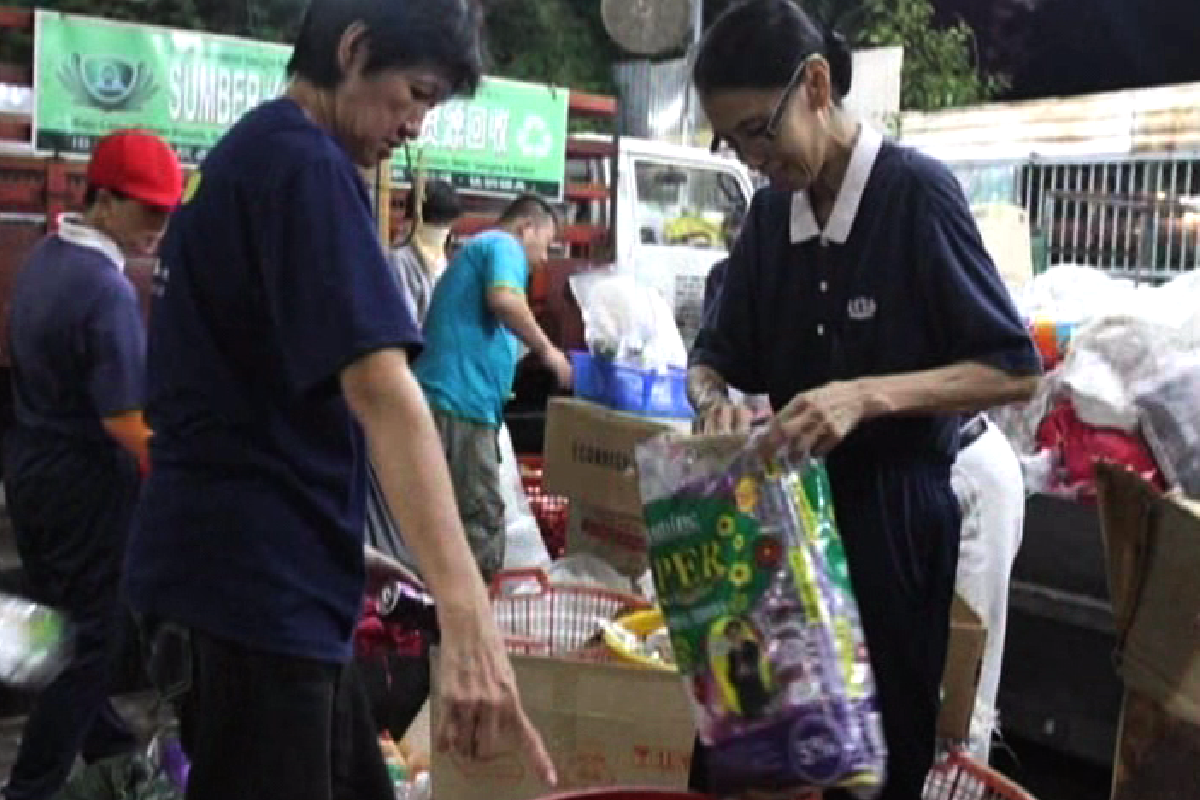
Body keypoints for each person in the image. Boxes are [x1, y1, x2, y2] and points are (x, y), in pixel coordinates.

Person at [121, 3, 555, 799]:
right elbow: (384, 393)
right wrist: (468, 616)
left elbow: (239, 394)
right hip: (255, 598)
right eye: (415, 94)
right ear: (353, 50)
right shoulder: (306, 168)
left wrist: (343, 542)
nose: (416, 126)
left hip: (255, 577)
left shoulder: (253, 159)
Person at [685, 2, 1041, 798]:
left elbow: (1014, 368)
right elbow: (714, 354)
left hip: (893, 522)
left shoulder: (915, 195)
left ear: (815, 85)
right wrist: (711, 400)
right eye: (731, 142)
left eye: (756, 131)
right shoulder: (773, 216)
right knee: (739, 751)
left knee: (876, 767)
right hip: (784, 522)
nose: (750, 158)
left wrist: (866, 397)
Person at [2, 130, 182, 800]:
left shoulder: (49, 258)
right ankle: (31, 787)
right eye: (148, 211)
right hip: (84, 486)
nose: (159, 227)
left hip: (32, 472)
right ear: (102, 200)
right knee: (93, 643)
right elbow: (125, 420)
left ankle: (111, 743)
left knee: (56, 627)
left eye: (168, 212)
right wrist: (178, 484)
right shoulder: (103, 290)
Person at [414, 194, 573, 581]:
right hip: (460, 402)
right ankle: (474, 622)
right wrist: (549, 352)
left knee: (450, 517)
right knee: (479, 517)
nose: (545, 258)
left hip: (455, 399)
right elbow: (504, 299)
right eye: (546, 244)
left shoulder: (482, 249)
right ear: (526, 229)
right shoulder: (504, 245)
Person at [951, 414, 1026, 762]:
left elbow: (963, 646)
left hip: (961, 460)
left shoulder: (973, 476)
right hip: (934, 454)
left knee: (961, 679)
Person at [392, 179, 463, 322]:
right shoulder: (399, 259)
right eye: (436, 222)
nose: (442, 229)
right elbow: (406, 321)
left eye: (446, 223)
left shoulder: (443, 259)